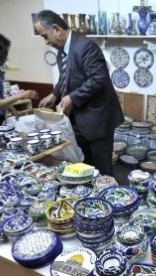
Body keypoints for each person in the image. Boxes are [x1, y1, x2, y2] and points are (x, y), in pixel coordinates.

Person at [33, 10, 124, 176]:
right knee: (84, 167)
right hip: (78, 120)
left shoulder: (86, 46)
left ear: (56, 29)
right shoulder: (62, 50)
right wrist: (54, 94)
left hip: (98, 120)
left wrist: (72, 98)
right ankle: (87, 198)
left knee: (103, 170)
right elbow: (64, 78)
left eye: (45, 36)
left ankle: (105, 196)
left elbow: (98, 78)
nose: (46, 41)